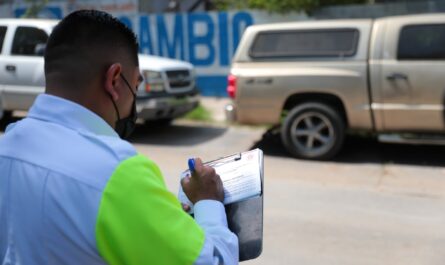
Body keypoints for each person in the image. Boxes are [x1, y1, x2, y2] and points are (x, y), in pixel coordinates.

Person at [0, 10, 238, 265]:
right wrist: (207, 201)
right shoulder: (117, 172)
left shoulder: (7, 148)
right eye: (135, 86)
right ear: (114, 80)